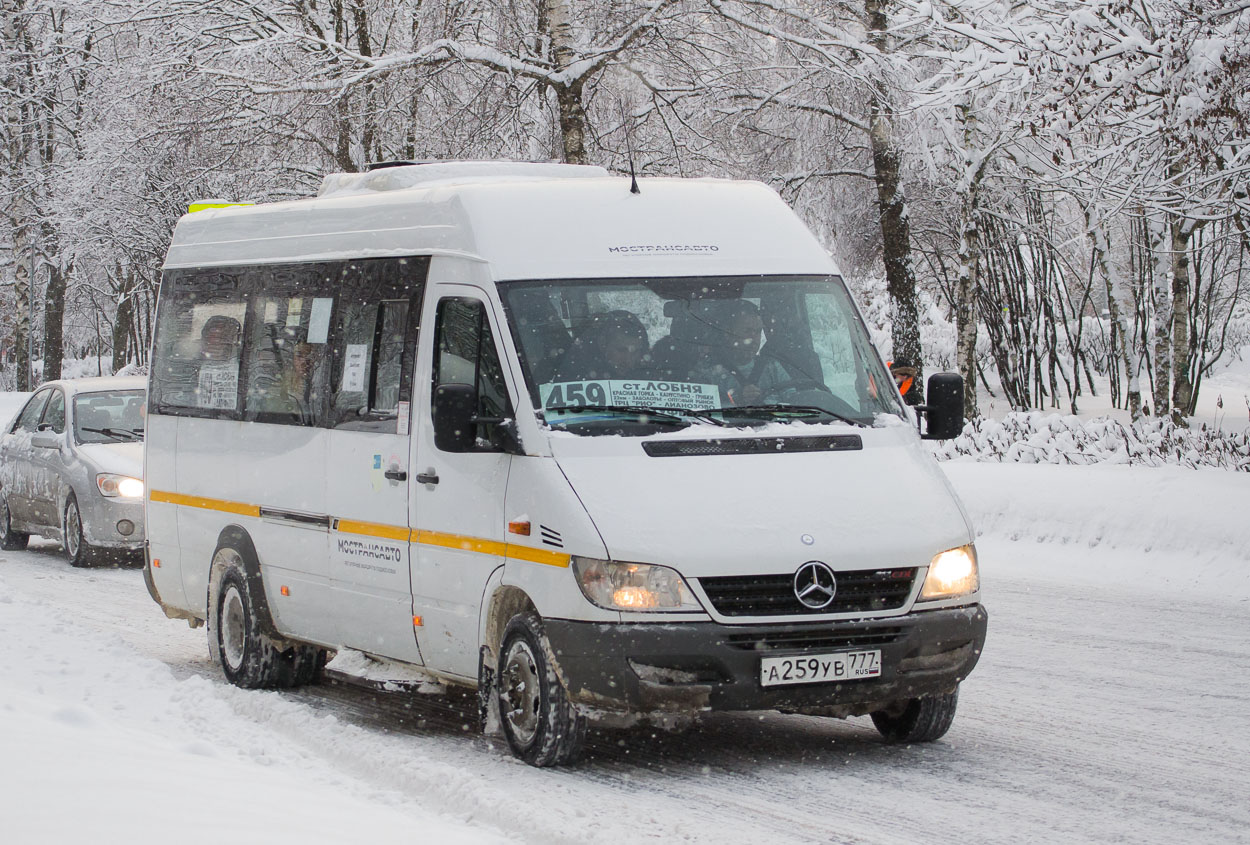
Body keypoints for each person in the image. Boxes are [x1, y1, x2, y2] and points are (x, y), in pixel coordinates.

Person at [196, 315, 241, 409]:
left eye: (223, 338)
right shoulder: (190, 371)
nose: (215, 342)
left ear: (234, 342)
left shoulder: (244, 371)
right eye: (210, 338)